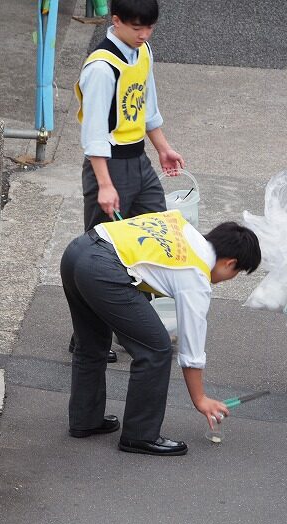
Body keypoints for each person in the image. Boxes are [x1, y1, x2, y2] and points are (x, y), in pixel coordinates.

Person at [61, 210, 261, 455]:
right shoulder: (195, 274)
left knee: (91, 342)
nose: (231, 278)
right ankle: (140, 435)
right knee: (155, 348)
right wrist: (200, 399)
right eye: (237, 273)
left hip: (78, 250)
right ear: (230, 263)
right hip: (103, 268)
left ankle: (85, 420)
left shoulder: (182, 226)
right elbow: (192, 347)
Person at [72, 0, 184, 362]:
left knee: (154, 239)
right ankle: (88, 338)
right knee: (102, 256)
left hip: (138, 160)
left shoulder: (143, 52)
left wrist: (163, 149)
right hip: (109, 166)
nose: (144, 35)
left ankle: (135, 329)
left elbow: (147, 109)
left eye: (149, 28)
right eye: (137, 27)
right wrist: (105, 184)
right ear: (115, 21)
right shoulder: (103, 68)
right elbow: (94, 135)